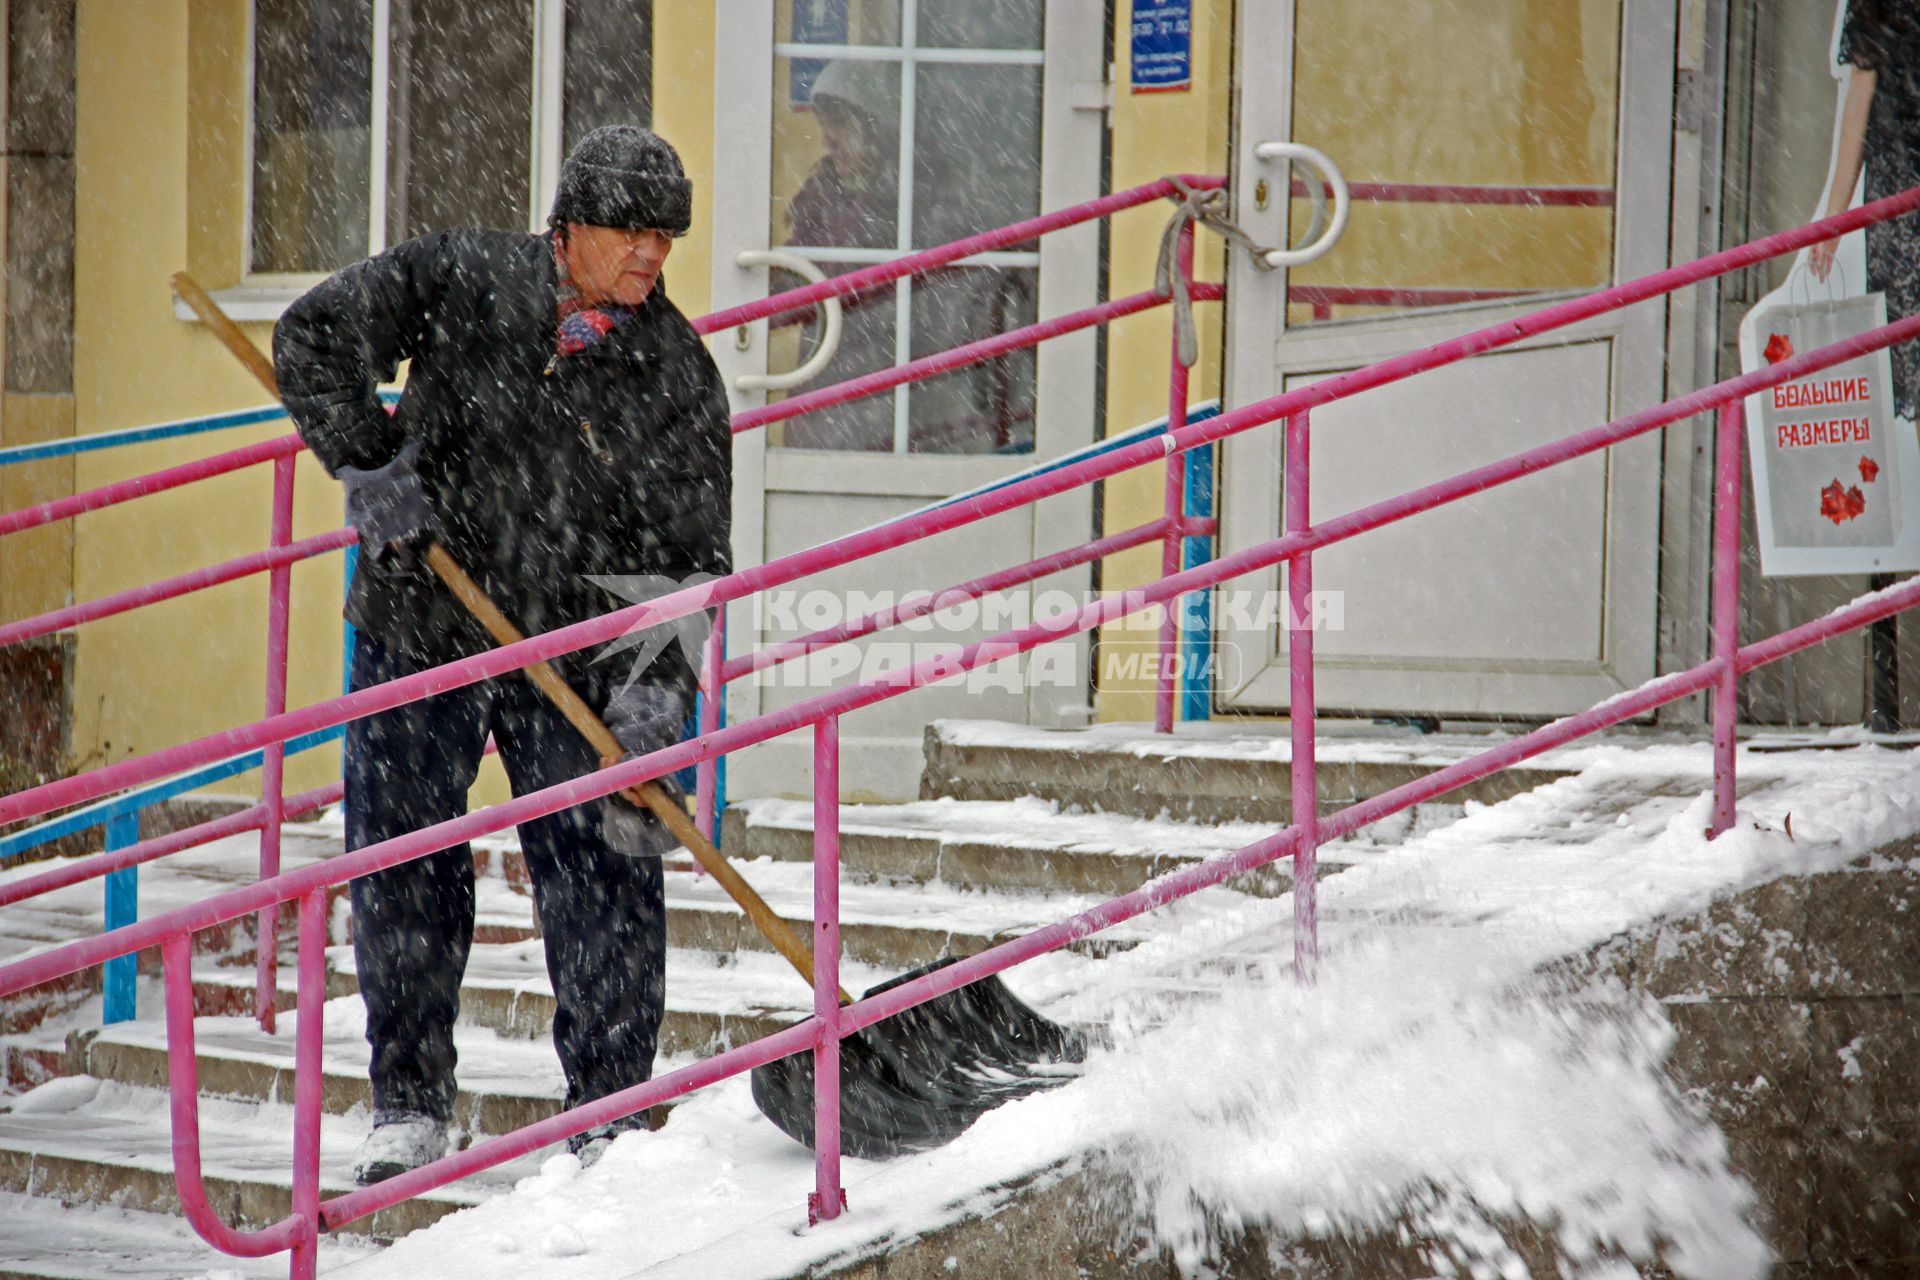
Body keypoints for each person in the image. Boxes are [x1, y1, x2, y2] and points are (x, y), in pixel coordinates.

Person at [273, 125, 732, 1183]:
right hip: (421, 615)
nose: (651, 256)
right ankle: (409, 1102)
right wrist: (367, 459)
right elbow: (313, 335)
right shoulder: (462, 277)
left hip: (570, 643)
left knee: (608, 853)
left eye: (666, 236)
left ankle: (608, 1109)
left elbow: (686, 555)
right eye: (630, 231)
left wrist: (657, 693)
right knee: (403, 856)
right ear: (566, 228)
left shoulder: (675, 372)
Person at [1811, 0, 1920, 421]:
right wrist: (1834, 220)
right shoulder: (1877, 7)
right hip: (1901, 211)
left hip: (1901, 207)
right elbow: (1858, 107)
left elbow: (1860, 103)